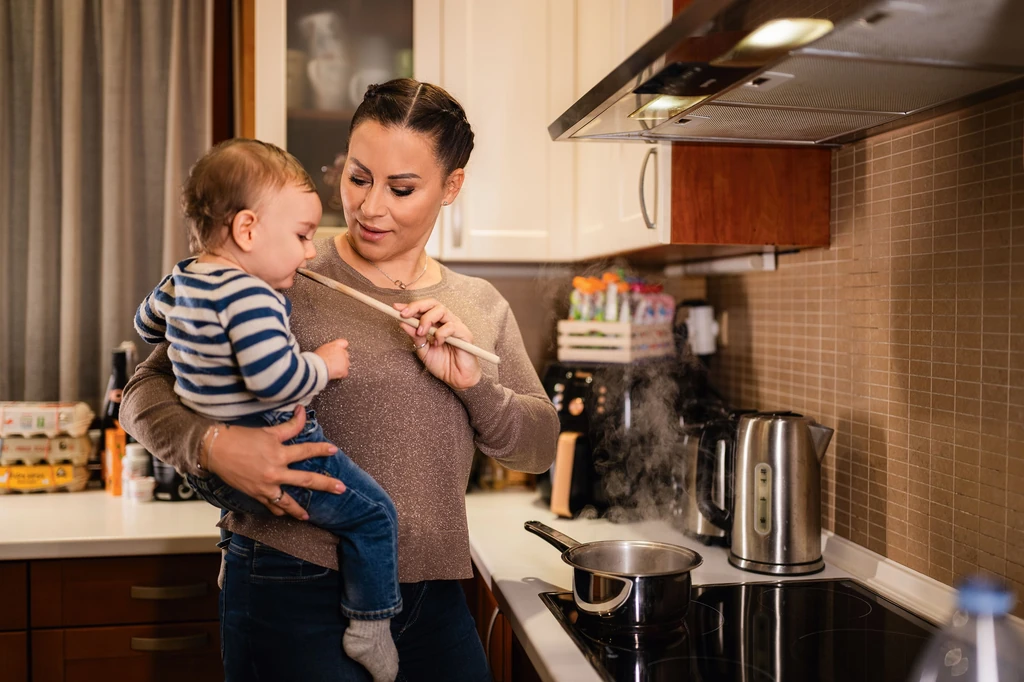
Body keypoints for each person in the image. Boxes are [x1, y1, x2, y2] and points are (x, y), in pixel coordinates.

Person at [120, 78, 559, 682]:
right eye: (357, 178)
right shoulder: (279, 267)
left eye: (402, 188)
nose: (371, 207)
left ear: (451, 186)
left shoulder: (478, 304)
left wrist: (473, 384)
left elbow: (537, 447)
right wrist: (213, 447)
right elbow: (141, 393)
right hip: (293, 583)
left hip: (432, 593)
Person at [133, 139, 401, 682]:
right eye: (302, 236)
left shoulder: (183, 278)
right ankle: (370, 624)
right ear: (248, 230)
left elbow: (145, 324)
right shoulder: (251, 295)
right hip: (278, 442)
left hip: (210, 478)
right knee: (375, 516)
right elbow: (274, 381)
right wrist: (324, 365)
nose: (309, 253)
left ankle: (240, 554)